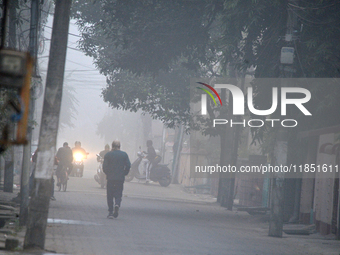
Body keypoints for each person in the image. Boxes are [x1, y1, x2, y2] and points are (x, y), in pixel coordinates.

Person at [103, 140, 131, 219]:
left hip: (111, 178)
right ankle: (117, 204)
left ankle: (111, 212)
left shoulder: (108, 155)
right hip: (120, 178)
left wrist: (108, 173)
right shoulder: (124, 155)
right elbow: (128, 165)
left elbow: (104, 167)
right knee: (118, 193)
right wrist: (124, 173)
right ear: (119, 146)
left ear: (112, 146)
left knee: (110, 195)